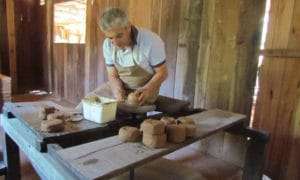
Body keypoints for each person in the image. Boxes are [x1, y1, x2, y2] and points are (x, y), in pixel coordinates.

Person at [89, 7, 168, 106]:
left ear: (128, 26)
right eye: (110, 37)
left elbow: (162, 73)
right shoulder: (108, 44)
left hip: (145, 88)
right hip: (121, 85)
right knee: (90, 103)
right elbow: (112, 75)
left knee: (128, 112)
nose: (116, 43)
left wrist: (148, 89)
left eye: (119, 36)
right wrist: (118, 92)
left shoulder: (151, 41)